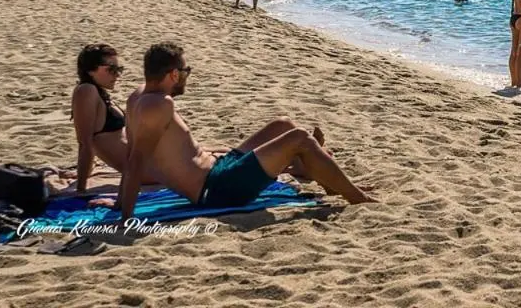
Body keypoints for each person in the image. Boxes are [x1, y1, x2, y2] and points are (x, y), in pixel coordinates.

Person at [115, 43, 373, 218]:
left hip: (219, 167)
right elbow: (136, 159)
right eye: (186, 71)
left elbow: (132, 154)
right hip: (216, 189)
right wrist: (124, 215)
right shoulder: (158, 106)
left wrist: (117, 204)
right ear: (173, 74)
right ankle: (356, 197)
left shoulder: (137, 96)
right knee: (300, 139)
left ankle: (329, 182)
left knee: (282, 124)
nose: (187, 76)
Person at [71, 44, 133, 192]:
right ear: (91, 70)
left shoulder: (98, 93)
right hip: (140, 169)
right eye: (111, 69)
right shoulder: (86, 91)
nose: (117, 75)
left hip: (142, 164)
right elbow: (85, 143)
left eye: (119, 69)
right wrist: (81, 188)